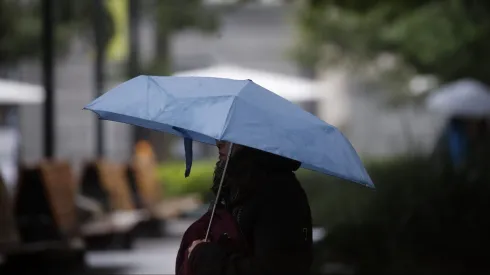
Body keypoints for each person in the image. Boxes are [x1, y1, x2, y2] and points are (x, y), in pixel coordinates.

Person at [183, 141, 313, 275]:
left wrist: (203, 256)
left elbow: (272, 269)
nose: (219, 142)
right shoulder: (237, 184)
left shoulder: (277, 193)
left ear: (253, 139)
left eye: (230, 137)